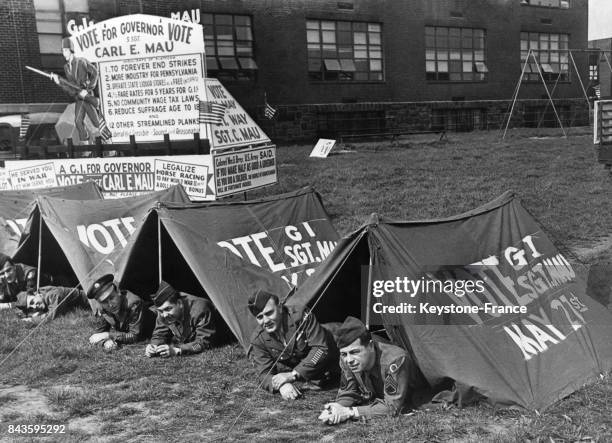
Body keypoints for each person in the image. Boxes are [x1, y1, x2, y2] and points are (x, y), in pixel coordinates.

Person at [318, 316, 422, 425]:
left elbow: (392, 407)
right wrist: (336, 408)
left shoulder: (394, 360)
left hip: (413, 398)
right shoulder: (346, 360)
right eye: (344, 354)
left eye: (354, 352)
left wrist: (350, 412)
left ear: (371, 346)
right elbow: (348, 391)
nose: (349, 360)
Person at [247, 290, 338, 400]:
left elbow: (321, 349)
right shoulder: (259, 339)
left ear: (280, 308)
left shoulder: (300, 316)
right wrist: (281, 385)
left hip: (341, 350)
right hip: (320, 374)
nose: (266, 321)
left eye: (269, 313)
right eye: (260, 317)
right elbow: (264, 374)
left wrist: (293, 375)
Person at [145, 281, 217, 358]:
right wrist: (153, 346)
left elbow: (204, 342)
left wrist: (178, 350)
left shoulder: (200, 309)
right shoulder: (163, 311)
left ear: (179, 303)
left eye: (168, 309)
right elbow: (159, 335)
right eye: (160, 311)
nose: (165, 315)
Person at [51, 37, 100, 142]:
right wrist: (58, 81)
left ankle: (106, 140)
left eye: (65, 50)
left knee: (96, 122)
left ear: (70, 50)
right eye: (63, 51)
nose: (63, 53)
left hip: (86, 97)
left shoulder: (81, 61)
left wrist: (88, 87)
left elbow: (95, 73)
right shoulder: (66, 67)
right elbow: (70, 86)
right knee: (78, 122)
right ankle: (85, 145)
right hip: (78, 98)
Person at [87, 274, 153, 351]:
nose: (110, 305)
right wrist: (105, 341)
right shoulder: (102, 307)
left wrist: (108, 335)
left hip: (153, 328)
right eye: (104, 302)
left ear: (118, 292)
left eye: (112, 298)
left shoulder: (133, 304)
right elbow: (98, 334)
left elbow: (135, 336)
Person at [14, 286, 88, 322]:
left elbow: (52, 316)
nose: (34, 307)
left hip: (90, 302)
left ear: (35, 294)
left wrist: (32, 319)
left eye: (32, 302)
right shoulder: (42, 293)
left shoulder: (52, 295)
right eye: (31, 308)